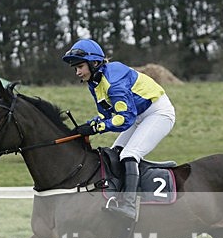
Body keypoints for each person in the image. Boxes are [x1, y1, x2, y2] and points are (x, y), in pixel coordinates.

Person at [62, 38, 176, 221]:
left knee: (129, 155)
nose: (77, 72)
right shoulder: (95, 81)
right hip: (138, 115)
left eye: (80, 66)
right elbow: (107, 114)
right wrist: (89, 125)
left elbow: (124, 119)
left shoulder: (113, 81)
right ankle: (116, 197)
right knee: (115, 154)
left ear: (94, 63)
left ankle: (129, 206)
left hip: (158, 113)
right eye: (75, 68)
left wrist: (96, 128)